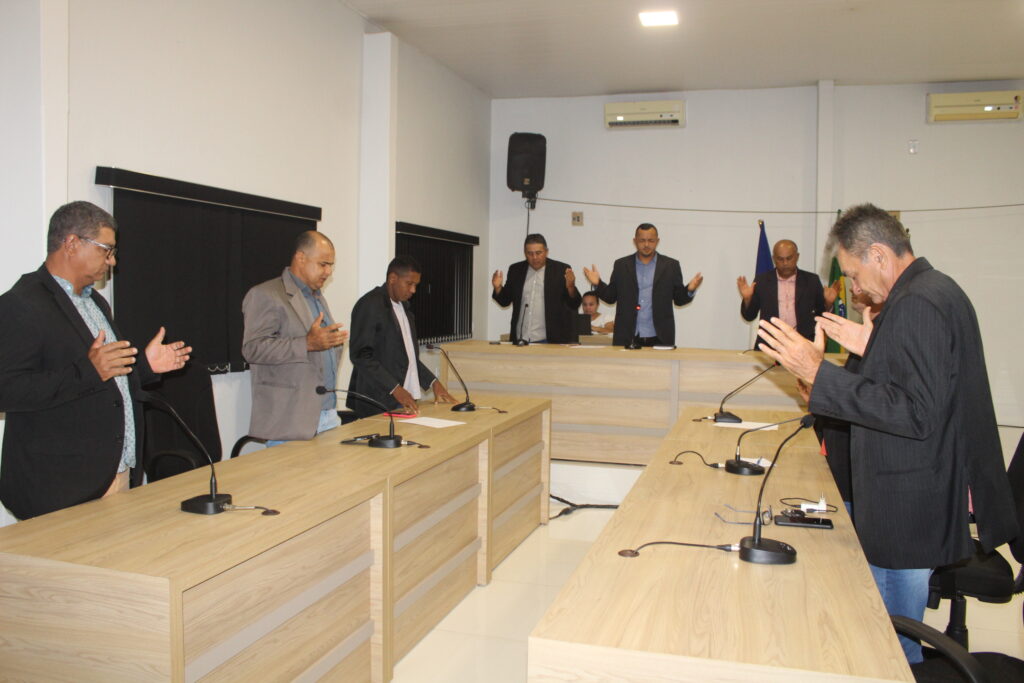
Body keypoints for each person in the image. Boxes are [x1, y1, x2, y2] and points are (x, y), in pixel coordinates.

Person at [757, 203, 1016, 664]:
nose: (855, 288)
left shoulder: (917, 303)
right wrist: (871, 347)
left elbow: (915, 413)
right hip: (911, 499)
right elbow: (914, 385)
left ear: (879, 254)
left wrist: (819, 373)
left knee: (891, 649)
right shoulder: (932, 290)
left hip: (905, 510)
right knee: (883, 636)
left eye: (854, 275)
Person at [0, 201, 191, 520]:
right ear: (72, 243)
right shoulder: (22, 304)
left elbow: (106, 380)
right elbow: (6, 389)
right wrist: (88, 371)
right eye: (107, 250)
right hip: (61, 487)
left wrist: (145, 367)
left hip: (114, 473)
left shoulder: (96, 303)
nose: (112, 261)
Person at [241, 231, 348, 443]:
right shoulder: (266, 294)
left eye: (331, 266)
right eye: (323, 264)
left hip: (327, 415)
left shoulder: (317, 297)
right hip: (290, 420)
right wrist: (306, 344)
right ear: (301, 258)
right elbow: (252, 348)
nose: (328, 272)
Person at [348, 256, 457, 416]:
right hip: (377, 401)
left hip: (403, 401)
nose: (413, 290)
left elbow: (408, 357)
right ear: (393, 278)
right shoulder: (370, 304)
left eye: (416, 285)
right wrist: (395, 389)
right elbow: (361, 355)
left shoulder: (404, 308)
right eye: (409, 283)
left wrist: (433, 382)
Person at [583, 223, 702, 347]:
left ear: (657, 241)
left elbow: (679, 299)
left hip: (660, 336)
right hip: (627, 336)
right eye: (642, 240)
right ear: (635, 241)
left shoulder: (671, 266)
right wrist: (597, 283)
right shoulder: (621, 265)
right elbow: (610, 297)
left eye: (651, 240)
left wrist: (689, 290)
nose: (646, 244)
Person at [737, 239, 829, 349]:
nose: (785, 263)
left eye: (789, 258)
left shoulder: (811, 281)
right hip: (770, 345)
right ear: (774, 259)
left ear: (797, 257)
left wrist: (828, 303)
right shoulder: (762, 281)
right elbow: (749, 316)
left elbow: (821, 315)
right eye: (780, 259)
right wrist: (747, 299)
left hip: (803, 345)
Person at [492, 233, 582, 344]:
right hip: (520, 339)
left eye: (538, 253)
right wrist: (498, 288)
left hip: (550, 340)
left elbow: (574, 304)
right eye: (530, 253)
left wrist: (571, 286)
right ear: (525, 253)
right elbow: (505, 301)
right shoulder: (515, 270)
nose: (534, 257)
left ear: (546, 252)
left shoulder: (560, 270)